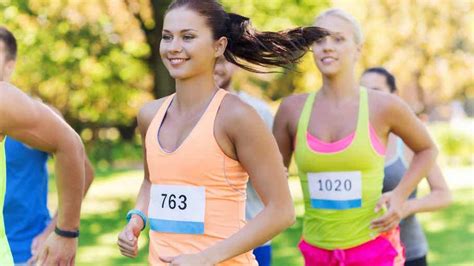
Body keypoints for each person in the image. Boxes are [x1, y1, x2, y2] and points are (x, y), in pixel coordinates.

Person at [116, 0, 328, 265]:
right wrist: (136, 218)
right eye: (167, 37)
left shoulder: (237, 117)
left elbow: (282, 211)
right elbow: (151, 182)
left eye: (188, 37)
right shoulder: (149, 115)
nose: (174, 47)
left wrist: (205, 258)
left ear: (219, 46)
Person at [273, 9, 438, 265]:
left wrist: (399, 196)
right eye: (319, 40)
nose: (327, 47)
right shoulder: (291, 109)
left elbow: (427, 149)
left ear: (358, 49)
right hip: (316, 252)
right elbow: (273, 174)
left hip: (375, 249)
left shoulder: (383, 106)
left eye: (338, 39)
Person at [0, 26, 95, 265]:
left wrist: (60, 231)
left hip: (27, 251)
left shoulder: (30, 115)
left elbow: (82, 165)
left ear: (9, 66)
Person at [361, 67, 451, 266]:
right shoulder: (348, 140)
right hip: (359, 253)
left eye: (376, 90)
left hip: (408, 254)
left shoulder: (409, 142)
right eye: (362, 92)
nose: (369, 98)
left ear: (395, 96)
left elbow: (443, 194)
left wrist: (404, 207)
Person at [214, 56, 274, 266]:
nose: (215, 67)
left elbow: (275, 187)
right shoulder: (177, 113)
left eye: (223, 60)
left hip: (252, 235)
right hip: (199, 239)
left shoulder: (259, 112)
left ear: (237, 63)